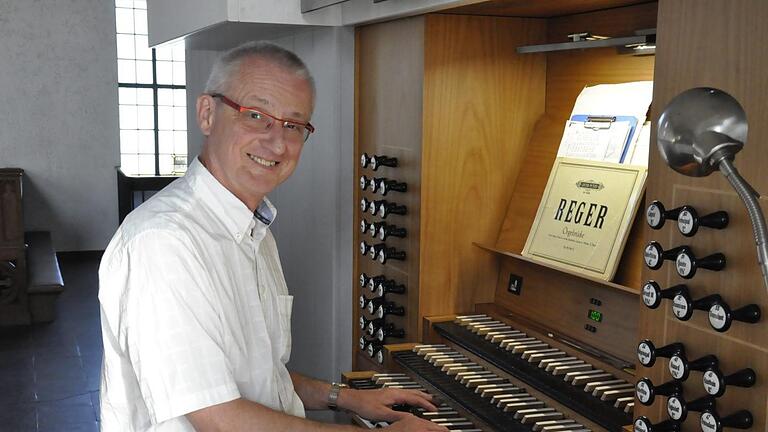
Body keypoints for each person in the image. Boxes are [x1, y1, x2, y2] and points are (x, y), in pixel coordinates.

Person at [98, 41, 449, 432]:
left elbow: (262, 379)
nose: (278, 143)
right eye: (255, 115)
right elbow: (217, 417)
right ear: (207, 114)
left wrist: (346, 397)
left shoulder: (255, 231)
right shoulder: (162, 243)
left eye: (293, 125)